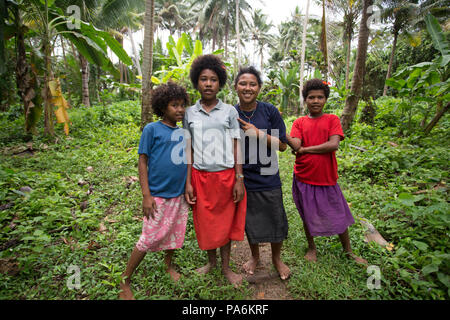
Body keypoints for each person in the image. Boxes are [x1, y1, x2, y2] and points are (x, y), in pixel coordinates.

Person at [119, 82, 190, 300]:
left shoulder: (184, 133)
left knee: (175, 234)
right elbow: (143, 162)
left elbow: (188, 161)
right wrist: (146, 195)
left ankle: (168, 265)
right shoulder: (152, 130)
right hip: (158, 195)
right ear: (162, 106)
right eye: (174, 105)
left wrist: (188, 185)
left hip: (179, 195)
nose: (179, 109)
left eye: (182, 105)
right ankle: (125, 279)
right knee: (148, 238)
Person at [286, 79, 367, 265]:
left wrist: (305, 150)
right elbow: (296, 144)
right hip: (304, 176)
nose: (315, 101)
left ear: (326, 99)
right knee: (307, 214)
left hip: (326, 177)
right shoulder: (299, 122)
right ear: (305, 100)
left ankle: (348, 251)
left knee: (338, 213)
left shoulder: (332, 119)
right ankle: (312, 247)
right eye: (311, 97)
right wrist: (285, 136)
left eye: (320, 97)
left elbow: (333, 144)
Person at [184, 54, 246, 286]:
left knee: (225, 223)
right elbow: (188, 147)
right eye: (203, 79)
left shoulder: (229, 111)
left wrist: (239, 178)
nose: (208, 84)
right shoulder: (189, 113)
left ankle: (227, 268)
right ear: (196, 82)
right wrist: (188, 181)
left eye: (213, 79)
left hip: (226, 176)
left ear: (220, 83)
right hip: (200, 177)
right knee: (206, 223)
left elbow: (236, 144)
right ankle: (211, 263)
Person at [233, 66, 291, 280]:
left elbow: (283, 146)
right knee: (251, 221)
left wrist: (258, 134)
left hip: (268, 175)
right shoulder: (231, 113)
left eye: (252, 84)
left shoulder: (269, 111)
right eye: (243, 83)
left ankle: (276, 258)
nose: (247, 88)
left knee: (275, 218)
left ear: (259, 88)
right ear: (236, 87)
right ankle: (255, 256)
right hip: (242, 177)